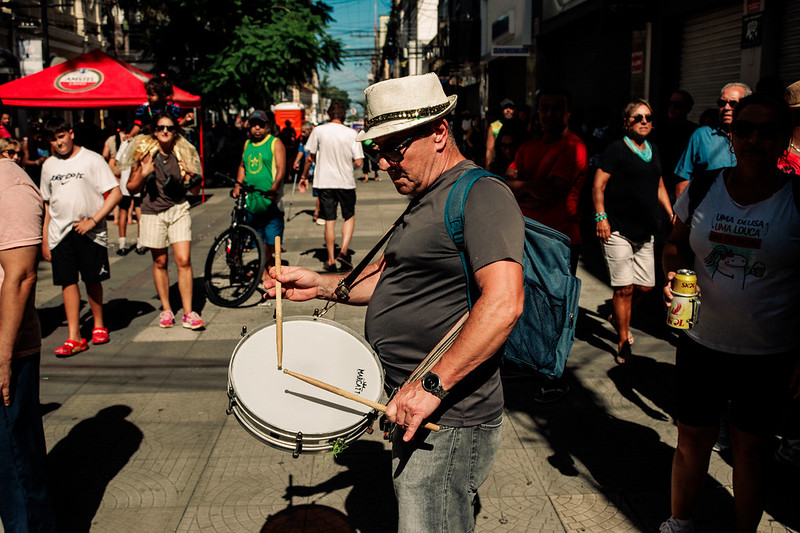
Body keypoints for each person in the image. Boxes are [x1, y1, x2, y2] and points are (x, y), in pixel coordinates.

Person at [264, 72, 524, 533]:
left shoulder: (481, 194)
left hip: (449, 415)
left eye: (394, 147)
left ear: (439, 132)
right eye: (376, 150)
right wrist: (322, 284)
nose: (382, 163)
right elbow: (393, 275)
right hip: (412, 404)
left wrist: (431, 387)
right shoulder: (428, 193)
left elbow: (504, 303)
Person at [660, 94, 800, 533]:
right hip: (702, 343)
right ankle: (679, 523)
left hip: (769, 352)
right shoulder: (705, 187)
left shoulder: (797, 200)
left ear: (784, 141)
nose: (754, 139)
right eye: (744, 129)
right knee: (691, 440)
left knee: (751, 449)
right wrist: (672, 276)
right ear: (730, 135)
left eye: (767, 131)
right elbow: (674, 244)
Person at [506, 87, 588, 402]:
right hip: (525, 234)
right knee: (524, 303)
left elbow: (550, 192)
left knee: (556, 308)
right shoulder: (528, 146)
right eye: (544, 108)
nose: (549, 114)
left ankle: (554, 375)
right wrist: (524, 187)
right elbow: (507, 181)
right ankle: (529, 363)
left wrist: (518, 187)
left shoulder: (574, 147)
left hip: (559, 239)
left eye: (556, 108)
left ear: (567, 113)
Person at [0, 154, 58, 531]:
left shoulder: (10, 185)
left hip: (6, 351)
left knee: (16, 473)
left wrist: (3, 357)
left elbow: (21, 276)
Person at [592, 99, 674, 364]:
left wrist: (671, 213)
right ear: (626, 122)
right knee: (624, 288)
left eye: (648, 117)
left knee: (646, 287)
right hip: (617, 229)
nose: (644, 122)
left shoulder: (654, 150)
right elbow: (598, 185)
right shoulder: (616, 150)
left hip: (646, 230)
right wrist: (601, 217)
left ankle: (619, 314)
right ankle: (622, 340)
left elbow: (659, 183)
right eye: (638, 118)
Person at [40, 117, 122, 356]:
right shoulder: (49, 166)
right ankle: (74, 335)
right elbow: (47, 205)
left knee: (92, 280)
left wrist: (93, 221)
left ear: (71, 134)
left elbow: (115, 193)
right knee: (67, 282)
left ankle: (98, 325)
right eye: (53, 140)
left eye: (61, 137)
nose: (58, 143)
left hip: (89, 231)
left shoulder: (92, 159)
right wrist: (45, 239)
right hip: (59, 233)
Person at [126, 113, 204, 330]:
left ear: (176, 131)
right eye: (160, 128)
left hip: (178, 209)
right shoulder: (145, 155)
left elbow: (196, 191)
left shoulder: (183, 153)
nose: (165, 131)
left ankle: (189, 313)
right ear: (154, 131)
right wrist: (144, 173)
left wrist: (191, 177)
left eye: (169, 128)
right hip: (152, 212)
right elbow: (131, 188)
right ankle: (167, 309)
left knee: (184, 259)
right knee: (160, 262)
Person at [299, 102, 364, 272]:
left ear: (328, 115)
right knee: (348, 216)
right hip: (346, 183)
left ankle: (330, 260)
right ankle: (343, 251)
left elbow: (309, 158)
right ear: (344, 116)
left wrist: (304, 176)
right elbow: (358, 162)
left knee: (329, 220)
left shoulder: (318, 131)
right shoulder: (352, 134)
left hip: (325, 182)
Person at [674, 83, 752, 198]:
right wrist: (681, 213)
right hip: (706, 211)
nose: (726, 108)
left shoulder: (755, 137)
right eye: (722, 103)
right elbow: (684, 177)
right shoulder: (701, 136)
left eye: (733, 104)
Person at [233, 109, 285, 269]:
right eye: (254, 125)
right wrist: (237, 184)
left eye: (260, 125)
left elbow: (282, 168)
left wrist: (274, 188)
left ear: (267, 126)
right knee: (256, 237)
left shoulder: (275, 143)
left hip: (271, 201)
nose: (257, 128)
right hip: (252, 200)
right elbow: (242, 166)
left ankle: (265, 264)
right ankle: (264, 267)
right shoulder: (247, 144)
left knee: (271, 240)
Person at [651, 90, 698, 200]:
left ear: (687, 108)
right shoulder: (658, 131)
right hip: (660, 186)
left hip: (684, 188)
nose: (672, 108)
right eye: (670, 104)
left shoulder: (694, 133)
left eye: (677, 105)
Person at [124, 75, 193, 140]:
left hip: (168, 140)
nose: (148, 97)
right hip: (149, 139)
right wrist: (130, 134)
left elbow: (177, 125)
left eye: (152, 95)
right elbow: (138, 125)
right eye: (148, 94)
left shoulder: (170, 109)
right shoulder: (145, 109)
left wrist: (185, 120)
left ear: (162, 95)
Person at [110, 137, 145, 256]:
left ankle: (122, 244)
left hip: (125, 182)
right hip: (139, 181)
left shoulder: (126, 142)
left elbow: (116, 161)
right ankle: (141, 243)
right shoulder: (143, 141)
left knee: (123, 211)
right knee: (139, 210)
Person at [485, 98, 516, 169]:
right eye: (505, 108)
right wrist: (488, 168)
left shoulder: (520, 126)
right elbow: (489, 150)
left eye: (510, 108)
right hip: (500, 164)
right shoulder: (494, 126)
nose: (508, 110)